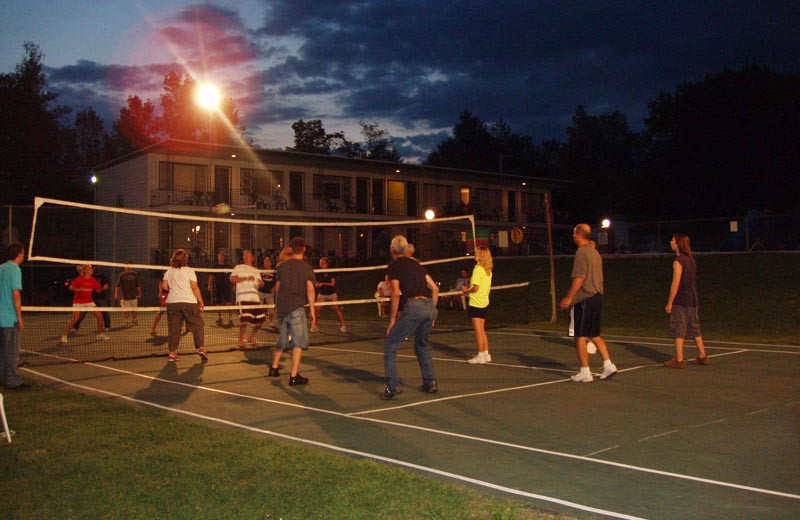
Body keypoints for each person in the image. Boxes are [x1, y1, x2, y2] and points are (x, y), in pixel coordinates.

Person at [381, 235, 440, 400]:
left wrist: (392, 319)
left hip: (414, 306)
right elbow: (434, 288)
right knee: (421, 344)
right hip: (429, 305)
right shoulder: (416, 264)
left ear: (392, 250)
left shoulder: (394, 266)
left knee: (390, 345)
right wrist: (432, 312)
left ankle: (393, 386)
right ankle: (430, 382)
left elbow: (395, 292)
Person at [558, 223, 618, 383]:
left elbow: (579, 277)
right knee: (594, 334)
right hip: (596, 296)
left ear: (579, 234)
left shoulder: (582, 253)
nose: (572, 236)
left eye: (574, 233)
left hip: (584, 298)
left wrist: (569, 297)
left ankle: (585, 371)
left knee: (579, 336)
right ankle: (608, 364)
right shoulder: (595, 253)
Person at [268, 236, 316, 386]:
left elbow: (278, 288)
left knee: (283, 338)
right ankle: (294, 376)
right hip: (296, 307)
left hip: (283, 307)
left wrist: (277, 306)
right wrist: (313, 311)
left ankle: (274, 368)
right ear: (303, 249)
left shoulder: (282, 267)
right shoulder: (306, 268)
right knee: (298, 342)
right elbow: (310, 290)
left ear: (291, 249)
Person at [664, 233, 710, 368]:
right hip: (693, 297)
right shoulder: (691, 259)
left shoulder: (678, 261)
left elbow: (676, 283)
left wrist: (670, 302)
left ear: (678, 243)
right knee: (694, 327)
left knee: (679, 327)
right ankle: (703, 355)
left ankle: (679, 359)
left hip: (682, 299)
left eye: (673, 240)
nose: (670, 242)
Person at [162, 249, 207, 362]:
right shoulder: (189, 271)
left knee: (174, 328)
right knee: (198, 324)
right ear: (185, 259)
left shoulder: (168, 272)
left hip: (172, 303)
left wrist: (175, 289)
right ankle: (201, 348)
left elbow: (164, 287)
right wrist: (200, 301)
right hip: (188, 302)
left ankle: (172, 353)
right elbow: (194, 287)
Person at [0, 242, 28, 390]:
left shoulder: (1, 268)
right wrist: (19, 317)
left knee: (1, 351)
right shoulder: (14, 270)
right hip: (9, 318)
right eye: (23, 253)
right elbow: (15, 293)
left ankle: (4, 377)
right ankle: (12, 381)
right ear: (18, 254)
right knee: (11, 351)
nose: (24, 255)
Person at [62, 264, 108, 343]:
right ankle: (64, 335)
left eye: (91, 268)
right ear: (85, 270)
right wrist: (78, 289)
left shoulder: (93, 280)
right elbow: (71, 288)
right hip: (78, 302)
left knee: (100, 316)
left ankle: (100, 335)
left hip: (89, 302)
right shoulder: (79, 279)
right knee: (75, 319)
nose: (91, 269)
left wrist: (103, 288)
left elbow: (98, 290)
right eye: (89, 268)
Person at [463, 246, 493, 364]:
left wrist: (466, 290)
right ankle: (486, 353)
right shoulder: (488, 270)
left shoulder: (478, 269)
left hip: (476, 303)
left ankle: (480, 354)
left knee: (478, 331)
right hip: (484, 302)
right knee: (482, 329)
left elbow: (475, 287)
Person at [230, 249, 265, 348]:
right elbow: (232, 279)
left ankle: (251, 337)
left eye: (248, 255)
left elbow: (261, 283)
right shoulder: (238, 267)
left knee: (260, 321)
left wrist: (261, 283)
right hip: (243, 297)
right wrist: (246, 278)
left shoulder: (256, 270)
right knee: (244, 321)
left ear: (252, 258)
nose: (245, 257)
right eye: (244, 255)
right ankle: (240, 341)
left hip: (255, 298)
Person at [312, 257, 346, 333]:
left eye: (323, 262)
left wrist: (323, 283)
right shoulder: (318, 272)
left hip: (331, 293)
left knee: (336, 308)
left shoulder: (331, 271)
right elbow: (316, 282)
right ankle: (315, 326)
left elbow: (333, 284)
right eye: (320, 262)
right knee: (316, 310)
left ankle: (343, 325)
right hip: (322, 294)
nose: (321, 264)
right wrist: (317, 284)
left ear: (327, 263)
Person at [207, 251, 234, 326]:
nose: (221, 257)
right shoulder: (215, 266)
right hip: (218, 287)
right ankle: (220, 318)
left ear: (224, 257)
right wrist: (209, 285)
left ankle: (230, 318)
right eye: (219, 256)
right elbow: (211, 276)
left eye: (222, 256)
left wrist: (234, 285)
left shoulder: (228, 266)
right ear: (218, 257)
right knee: (218, 303)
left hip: (226, 287)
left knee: (228, 302)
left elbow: (233, 276)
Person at [258, 256, 277, 328]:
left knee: (271, 309)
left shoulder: (274, 271)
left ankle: (271, 322)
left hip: (270, 293)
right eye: (265, 262)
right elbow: (258, 280)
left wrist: (274, 288)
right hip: (261, 292)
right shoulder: (261, 271)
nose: (266, 263)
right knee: (260, 308)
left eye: (268, 262)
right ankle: (260, 321)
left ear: (271, 263)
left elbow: (277, 281)